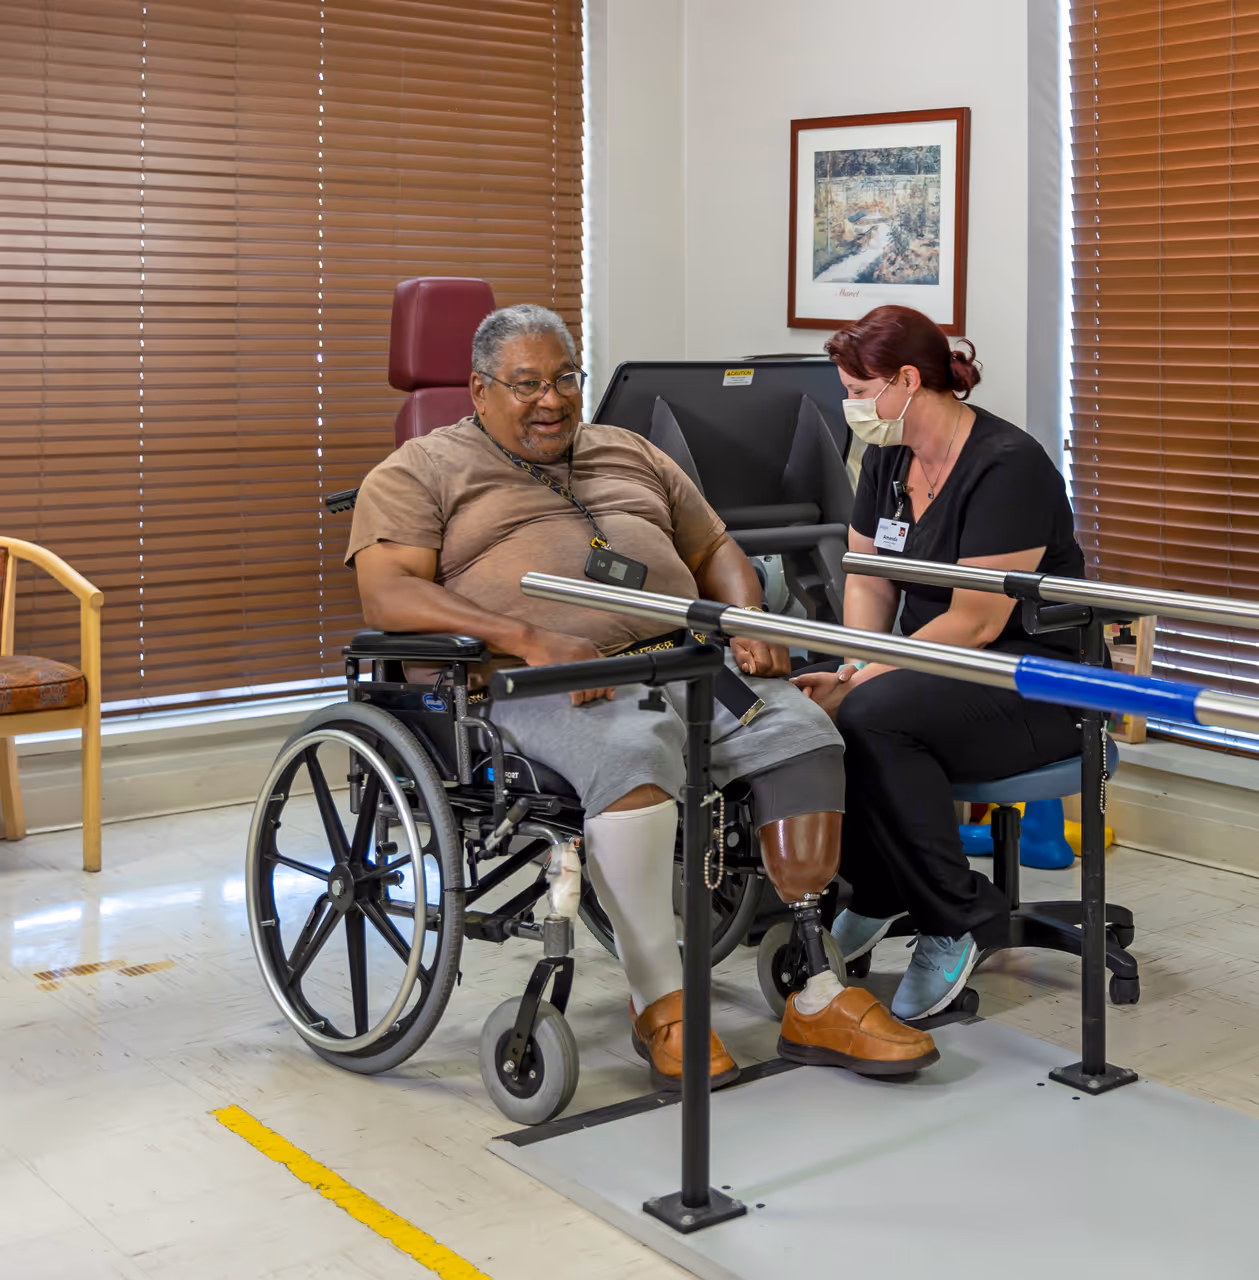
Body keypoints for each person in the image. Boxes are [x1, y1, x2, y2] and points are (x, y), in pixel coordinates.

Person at [346, 304, 936, 1087]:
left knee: (802, 733)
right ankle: (660, 1003)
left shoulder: (628, 450)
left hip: (684, 663)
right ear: (478, 390)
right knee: (632, 755)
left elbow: (715, 545)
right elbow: (387, 593)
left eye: (564, 379)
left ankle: (818, 988)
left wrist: (745, 616)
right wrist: (528, 638)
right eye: (526, 385)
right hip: (536, 684)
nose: (550, 401)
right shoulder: (422, 469)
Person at [793, 305, 1088, 1021]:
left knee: (872, 715)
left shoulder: (1006, 467)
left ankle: (951, 919)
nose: (852, 407)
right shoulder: (891, 457)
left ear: (906, 380)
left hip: (1031, 679)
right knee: (823, 708)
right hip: (934, 668)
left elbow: (977, 619)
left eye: (860, 392)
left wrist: (867, 675)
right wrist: (853, 661)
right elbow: (867, 576)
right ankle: (881, 890)